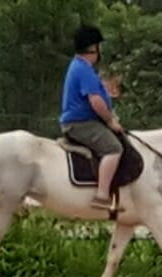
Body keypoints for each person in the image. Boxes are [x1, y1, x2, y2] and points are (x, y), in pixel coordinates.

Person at [59, 24, 124, 210]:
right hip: (81, 123)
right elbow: (95, 102)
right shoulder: (83, 70)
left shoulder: (81, 67)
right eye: (99, 46)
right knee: (113, 148)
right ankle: (102, 195)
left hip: (83, 121)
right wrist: (110, 121)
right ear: (93, 48)